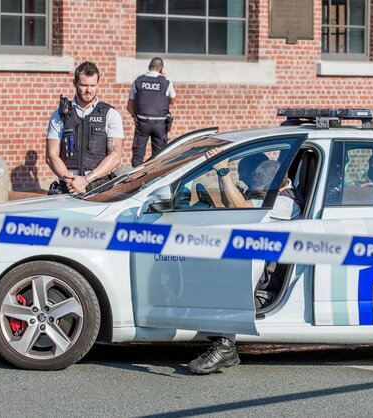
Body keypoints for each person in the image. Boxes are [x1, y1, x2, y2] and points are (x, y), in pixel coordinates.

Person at [186, 150, 302, 375]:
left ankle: (225, 346)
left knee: (226, 272)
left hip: (267, 280)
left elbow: (243, 210)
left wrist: (223, 172)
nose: (244, 185)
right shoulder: (276, 194)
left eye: (250, 184)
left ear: (272, 187)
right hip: (263, 267)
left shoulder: (285, 204)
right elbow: (236, 208)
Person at [45, 61, 123, 194]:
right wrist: (71, 183)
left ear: (98, 84)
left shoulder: (110, 114)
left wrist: (86, 180)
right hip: (68, 185)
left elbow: (115, 156)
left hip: (99, 186)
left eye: (93, 85)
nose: (88, 90)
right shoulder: (60, 114)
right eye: (84, 85)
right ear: (74, 83)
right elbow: (51, 156)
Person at [127, 57, 176, 167]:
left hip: (142, 123)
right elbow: (173, 101)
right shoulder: (166, 82)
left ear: (149, 67)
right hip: (160, 124)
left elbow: (129, 105)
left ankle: (135, 179)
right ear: (161, 68)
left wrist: (135, 116)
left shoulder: (138, 81)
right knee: (160, 156)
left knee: (138, 155)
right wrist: (164, 78)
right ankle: (156, 178)